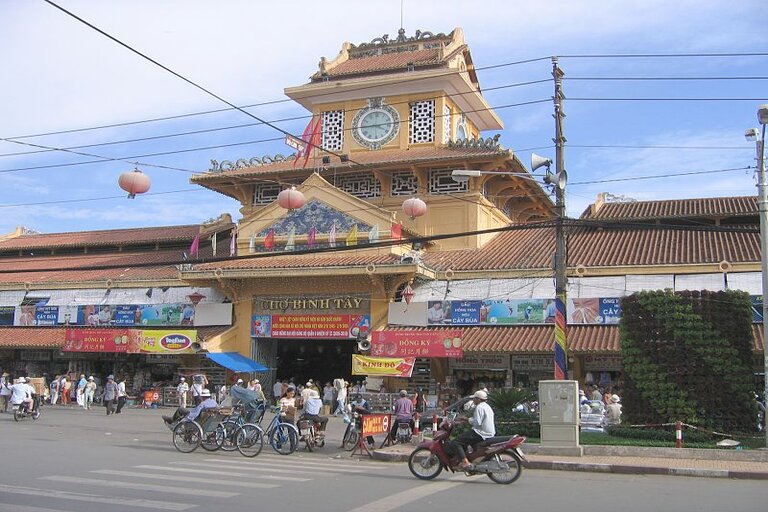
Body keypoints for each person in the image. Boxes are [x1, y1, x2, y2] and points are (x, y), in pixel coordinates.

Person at [454, 390, 495, 470]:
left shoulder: (479, 407)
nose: (473, 400)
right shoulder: (487, 406)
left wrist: (467, 419)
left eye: (474, 399)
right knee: (465, 439)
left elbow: (477, 422)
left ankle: (465, 462)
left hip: (481, 432)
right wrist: (467, 420)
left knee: (457, 442)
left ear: (479, 399)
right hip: (488, 432)